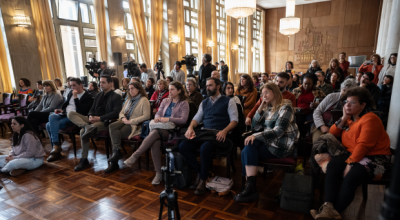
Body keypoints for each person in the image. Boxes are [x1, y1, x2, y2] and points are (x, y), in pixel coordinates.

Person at [310, 87, 391, 220]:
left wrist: (350, 163)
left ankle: (332, 213)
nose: (347, 105)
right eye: (346, 102)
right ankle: (328, 207)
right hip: (353, 153)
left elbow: (364, 145)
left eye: (352, 102)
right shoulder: (350, 119)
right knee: (333, 166)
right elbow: (332, 133)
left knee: (351, 177)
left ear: (362, 105)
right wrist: (343, 118)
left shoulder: (370, 119)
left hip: (375, 157)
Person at [234, 83, 299, 203]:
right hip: (269, 141)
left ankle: (249, 186)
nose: (264, 95)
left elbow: (279, 131)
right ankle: (250, 187)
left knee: (246, 150)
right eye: (262, 93)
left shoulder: (286, 107)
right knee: (247, 147)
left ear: (275, 92)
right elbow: (254, 125)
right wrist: (260, 108)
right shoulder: (268, 107)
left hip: (281, 144)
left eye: (267, 92)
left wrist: (255, 135)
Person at [179, 77, 238, 194]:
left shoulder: (228, 101)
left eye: (210, 85)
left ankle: (202, 180)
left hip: (218, 134)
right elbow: (196, 118)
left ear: (218, 86)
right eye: (207, 86)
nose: (207, 88)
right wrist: (190, 127)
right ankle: (200, 172)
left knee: (204, 148)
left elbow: (234, 121)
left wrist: (225, 131)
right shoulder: (204, 102)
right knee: (183, 146)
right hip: (204, 133)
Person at [124, 81, 189, 184]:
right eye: (169, 89)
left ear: (179, 91)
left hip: (173, 131)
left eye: (172, 89)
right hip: (160, 127)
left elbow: (183, 120)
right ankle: (158, 174)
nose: (170, 91)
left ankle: (135, 156)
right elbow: (158, 113)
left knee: (154, 133)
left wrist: (168, 119)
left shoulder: (183, 103)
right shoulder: (165, 101)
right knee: (155, 141)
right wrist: (158, 118)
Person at [68, 75, 123, 171]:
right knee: (71, 113)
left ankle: (84, 159)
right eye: (100, 82)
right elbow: (92, 108)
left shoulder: (116, 96)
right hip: (92, 119)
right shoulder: (98, 95)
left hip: (104, 121)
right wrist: (90, 115)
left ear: (110, 83)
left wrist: (99, 118)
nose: (101, 84)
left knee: (82, 132)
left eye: (103, 82)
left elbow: (116, 112)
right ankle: (86, 126)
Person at [106, 82, 150, 173]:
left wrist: (131, 121)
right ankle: (117, 152)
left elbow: (146, 116)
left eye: (132, 88)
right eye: (129, 89)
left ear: (138, 89)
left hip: (134, 124)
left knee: (115, 135)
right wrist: (123, 118)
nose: (130, 90)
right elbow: (121, 112)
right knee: (111, 126)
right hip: (124, 121)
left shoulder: (144, 100)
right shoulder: (129, 100)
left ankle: (115, 160)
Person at [46, 78, 94, 162]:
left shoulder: (87, 97)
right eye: (71, 85)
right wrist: (62, 110)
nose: (72, 87)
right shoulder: (70, 94)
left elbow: (81, 112)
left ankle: (56, 151)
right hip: (65, 114)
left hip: (75, 118)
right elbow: (67, 105)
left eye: (74, 85)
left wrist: (75, 97)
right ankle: (56, 146)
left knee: (49, 125)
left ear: (80, 85)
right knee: (52, 117)